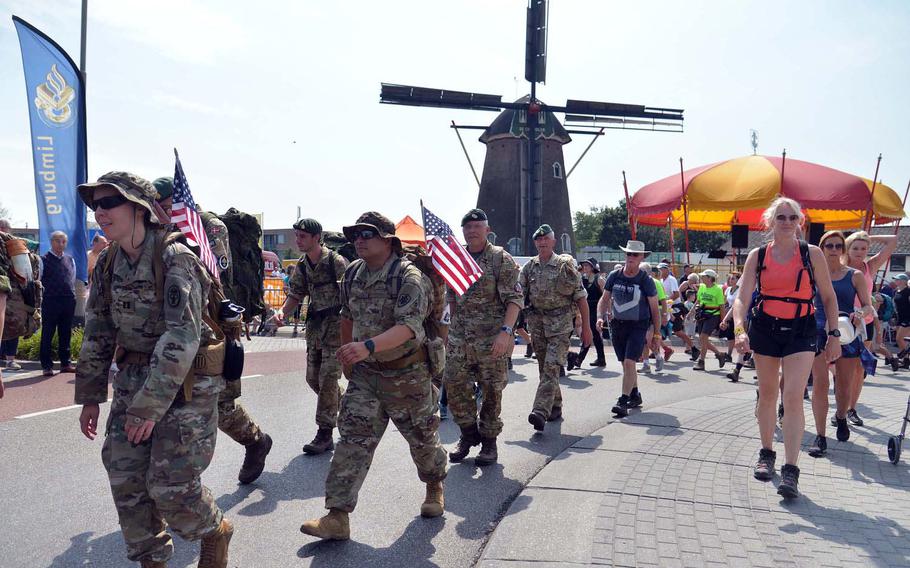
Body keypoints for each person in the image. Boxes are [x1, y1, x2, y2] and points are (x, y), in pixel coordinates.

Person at [74, 172, 232, 568]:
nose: (100, 212)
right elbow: (97, 331)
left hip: (185, 384)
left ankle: (214, 530)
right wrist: (91, 396)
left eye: (109, 202)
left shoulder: (175, 257)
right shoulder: (109, 261)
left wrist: (148, 406)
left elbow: (182, 336)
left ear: (139, 207)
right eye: (95, 205)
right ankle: (152, 559)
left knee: (170, 486)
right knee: (125, 477)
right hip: (132, 379)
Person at [301, 212, 447, 541]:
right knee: (352, 440)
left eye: (367, 234)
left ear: (388, 240)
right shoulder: (353, 273)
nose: (359, 240)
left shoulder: (408, 277)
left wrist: (366, 346)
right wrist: (350, 356)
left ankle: (435, 485)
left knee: (422, 441)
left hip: (407, 372)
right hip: (367, 374)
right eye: (355, 234)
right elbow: (347, 317)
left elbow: (409, 329)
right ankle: (337, 515)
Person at [154, 176, 272, 484]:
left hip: (214, 324)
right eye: (158, 207)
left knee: (220, 403)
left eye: (166, 206)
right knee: (174, 399)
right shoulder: (160, 229)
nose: (162, 212)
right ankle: (176, 485)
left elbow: (216, 272)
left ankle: (255, 441)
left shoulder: (210, 226)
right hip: (178, 324)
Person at [732, 197, 841, 499]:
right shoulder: (758, 255)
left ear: (800, 222)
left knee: (792, 396)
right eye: (781, 217)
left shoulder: (812, 254)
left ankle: (791, 471)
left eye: (792, 217)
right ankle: (767, 452)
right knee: (767, 394)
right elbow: (742, 298)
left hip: (801, 329)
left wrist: (833, 334)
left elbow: (829, 298)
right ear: (770, 221)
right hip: (765, 327)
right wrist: (740, 331)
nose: (787, 222)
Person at [445, 208, 522, 465]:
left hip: (492, 340)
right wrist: (449, 332)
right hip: (460, 339)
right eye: (467, 228)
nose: (472, 231)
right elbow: (452, 298)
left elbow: (515, 299)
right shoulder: (457, 258)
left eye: (477, 227)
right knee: (454, 386)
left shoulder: (501, 259)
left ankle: (489, 442)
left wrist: (506, 332)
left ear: (487, 230)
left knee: (491, 392)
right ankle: (468, 434)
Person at [276, 218, 348, 455]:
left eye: (302, 236)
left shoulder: (335, 262)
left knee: (328, 379)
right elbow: (295, 294)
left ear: (317, 238)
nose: (298, 240)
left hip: (336, 329)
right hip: (316, 328)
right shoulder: (302, 264)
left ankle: (324, 433)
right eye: (296, 236)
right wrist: (281, 313)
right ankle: (346, 404)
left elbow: (350, 296)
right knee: (312, 378)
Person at [807, 230, 874, 457]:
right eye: (829, 246)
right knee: (820, 383)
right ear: (822, 248)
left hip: (845, 331)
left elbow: (868, 306)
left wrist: (859, 312)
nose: (834, 250)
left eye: (838, 246)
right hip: (817, 331)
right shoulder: (811, 273)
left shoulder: (854, 275)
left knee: (844, 385)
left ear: (843, 250)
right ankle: (820, 435)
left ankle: (841, 416)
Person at [519, 224, 591, 431]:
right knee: (544, 367)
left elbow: (581, 299)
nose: (542, 243)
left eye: (545, 239)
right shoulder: (529, 267)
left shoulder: (564, 266)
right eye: (538, 240)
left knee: (551, 367)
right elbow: (517, 294)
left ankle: (540, 410)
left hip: (560, 325)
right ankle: (556, 405)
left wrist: (586, 328)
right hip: (537, 324)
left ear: (553, 241)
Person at [597, 240, 660, 417]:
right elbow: (604, 299)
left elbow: (655, 310)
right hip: (618, 325)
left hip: (638, 325)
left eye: (635, 255)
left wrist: (656, 334)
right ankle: (635, 394)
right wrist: (600, 317)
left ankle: (623, 401)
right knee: (625, 364)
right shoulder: (614, 276)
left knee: (629, 362)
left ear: (641, 258)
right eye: (628, 254)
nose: (631, 257)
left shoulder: (645, 281)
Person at [843, 231, 897, 426]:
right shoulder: (838, 266)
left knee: (859, 369)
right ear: (847, 248)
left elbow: (892, 241)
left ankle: (851, 409)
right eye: (855, 248)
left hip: (863, 323)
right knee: (837, 368)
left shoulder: (870, 266)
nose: (860, 252)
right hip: (841, 322)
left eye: (864, 248)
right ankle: (840, 406)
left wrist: (866, 237)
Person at [39, 230, 77, 377]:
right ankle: (47, 366)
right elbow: (39, 279)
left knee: (65, 332)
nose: (61, 244)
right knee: (48, 333)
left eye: (63, 241)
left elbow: (72, 278)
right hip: (51, 300)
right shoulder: (43, 259)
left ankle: (65, 363)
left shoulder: (70, 259)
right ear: (51, 242)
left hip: (68, 299)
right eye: (57, 241)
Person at [573, 257, 606, 368]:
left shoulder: (599, 279)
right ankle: (601, 359)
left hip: (596, 309)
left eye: (587, 265)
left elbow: (606, 297)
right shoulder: (583, 279)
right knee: (596, 335)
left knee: (590, 332)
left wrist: (607, 312)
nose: (585, 267)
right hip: (586, 308)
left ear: (593, 267)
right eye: (584, 265)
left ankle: (579, 359)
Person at [692, 269, 727, 371]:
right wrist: (691, 312)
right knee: (703, 339)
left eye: (704, 276)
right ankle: (719, 354)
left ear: (709, 278)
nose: (702, 278)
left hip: (713, 315)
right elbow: (698, 301)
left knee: (703, 337)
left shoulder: (718, 289)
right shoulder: (702, 287)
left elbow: (721, 306)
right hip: (702, 315)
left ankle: (701, 362)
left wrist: (722, 321)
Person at [893, 273, 910, 368]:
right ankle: (906, 361)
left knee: (899, 338)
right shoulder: (896, 291)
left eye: (897, 279)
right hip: (900, 317)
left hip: (908, 317)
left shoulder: (908, 291)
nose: (895, 281)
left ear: (904, 281)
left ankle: (903, 356)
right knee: (902, 340)